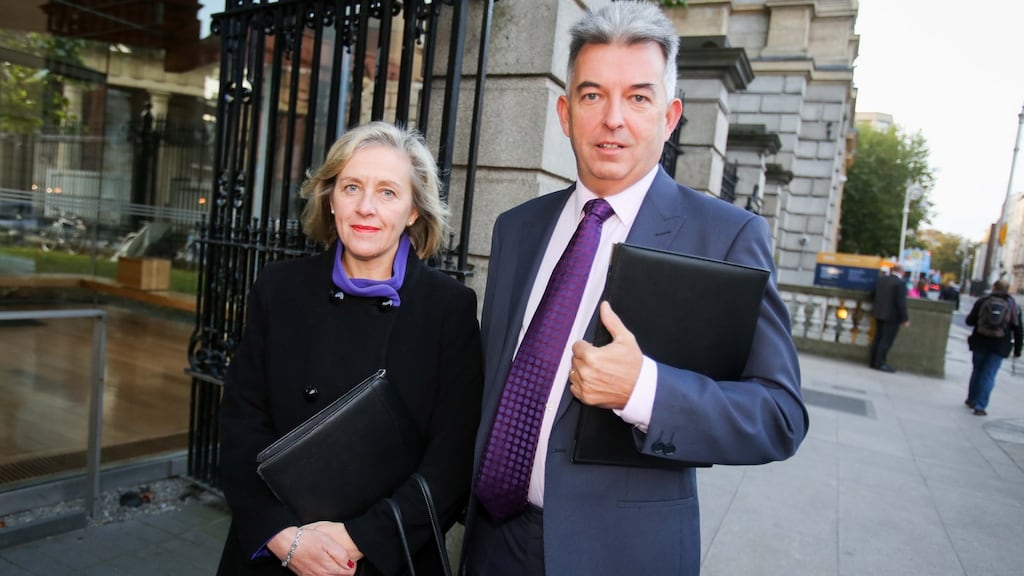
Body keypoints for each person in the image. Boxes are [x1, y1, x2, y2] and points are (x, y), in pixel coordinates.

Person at [459, 4, 807, 576]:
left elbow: (779, 414)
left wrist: (644, 390)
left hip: (619, 553)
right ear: (565, 113)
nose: (613, 119)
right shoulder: (517, 228)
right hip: (492, 542)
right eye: (593, 96)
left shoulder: (725, 235)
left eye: (638, 97)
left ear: (669, 116)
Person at [217, 121, 483, 576]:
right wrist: (282, 536)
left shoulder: (449, 308)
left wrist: (360, 538)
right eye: (352, 186)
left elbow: (453, 459)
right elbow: (241, 423)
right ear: (330, 197)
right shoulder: (279, 290)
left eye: (387, 192)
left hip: (383, 557)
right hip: (275, 551)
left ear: (413, 210)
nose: (365, 208)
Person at [964, 279, 1022, 416]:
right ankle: (981, 406)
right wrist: (1018, 350)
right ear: (1008, 289)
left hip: (980, 341)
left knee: (977, 370)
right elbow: (1018, 329)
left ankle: (971, 399)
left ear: (994, 287)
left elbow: (969, 321)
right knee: (989, 374)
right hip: (1000, 345)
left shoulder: (983, 301)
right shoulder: (1013, 306)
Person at [870, 263, 910, 372]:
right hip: (892, 316)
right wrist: (905, 319)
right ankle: (880, 363)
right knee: (886, 341)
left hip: (878, 313)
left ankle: (873, 362)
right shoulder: (900, 283)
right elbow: (901, 303)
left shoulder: (882, 280)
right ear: (901, 272)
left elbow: (873, 294)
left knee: (877, 338)